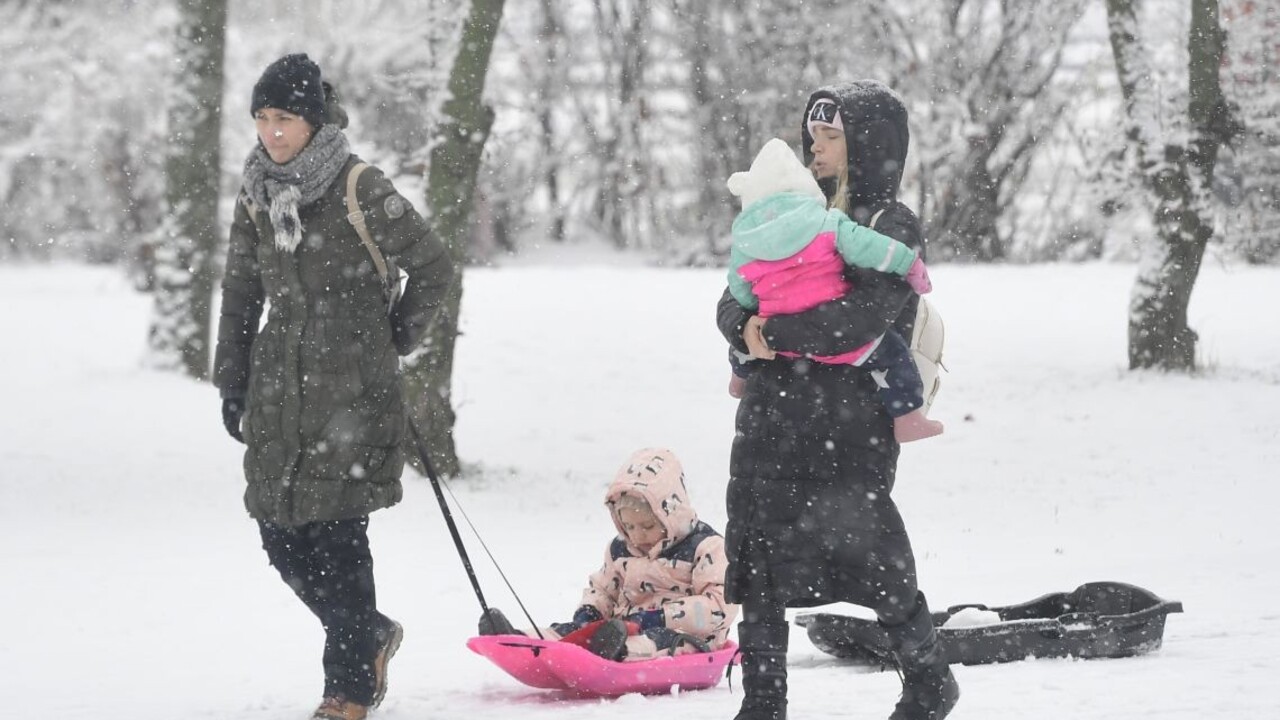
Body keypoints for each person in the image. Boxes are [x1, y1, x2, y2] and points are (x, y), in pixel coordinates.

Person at [213, 53, 455, 720]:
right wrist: (232, 382)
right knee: (279, 532)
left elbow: (433, 266)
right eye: (261, 118)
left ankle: (347, 686)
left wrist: (394, 338)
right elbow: (240, 289)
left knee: (339, 537)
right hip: (278, 392)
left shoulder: (358, 186)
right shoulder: (257, 190)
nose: (271, 132)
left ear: (314, 122)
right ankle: (368, 632)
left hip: (353, 391)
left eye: (284, 118)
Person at [715, 82, 960, 720]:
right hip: (770, 414)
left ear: (869, 147)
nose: (815, 148)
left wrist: (770, 331)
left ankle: (929, 679)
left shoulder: (891, 225)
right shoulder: (783, 209)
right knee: (760, 553)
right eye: (813, 136)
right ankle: (764, 704)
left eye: (831, 137)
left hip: (849, 422)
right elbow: (733, 291)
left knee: (870, 553)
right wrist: (743, 327)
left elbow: (862, 319)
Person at [723, 137, 941, 443]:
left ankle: (738, 376)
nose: (816, 146)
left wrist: (755, 323)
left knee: (740, 346)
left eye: (832, 135)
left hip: (772, 347)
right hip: (844, 348)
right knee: (893, 355)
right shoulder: (827, 224)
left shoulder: (748, 243)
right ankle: (909, 417)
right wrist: (909, 264)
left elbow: (738, 290)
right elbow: (871, 249)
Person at [479, 448, 738, 662]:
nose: (637, 536)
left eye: (647, 526)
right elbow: (603, 588)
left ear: (670, 513)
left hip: (686, 636)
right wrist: (590, 612)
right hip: (619, 628)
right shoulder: (621, 549)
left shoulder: (706, 548)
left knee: (659, 641)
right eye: (629, 526)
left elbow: (718, 606)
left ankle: (616, 654)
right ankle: (519, 641)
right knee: (574, 631)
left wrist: (658, 617)